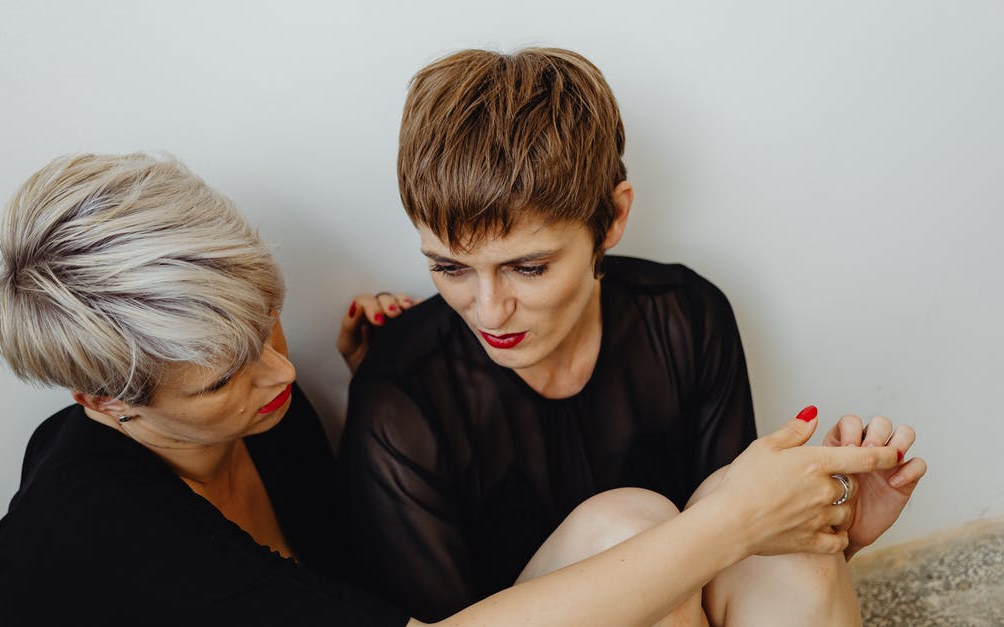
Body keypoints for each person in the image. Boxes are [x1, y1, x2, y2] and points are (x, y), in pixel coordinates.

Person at [0, 152, 910, 627]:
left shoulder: (260, 419)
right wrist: (733, 521)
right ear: (106, 403)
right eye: (229, 373)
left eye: (265, 323)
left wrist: (799, 534)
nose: (282, 371)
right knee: (662, 534)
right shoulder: (96, 530)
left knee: (662, 534)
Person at [338, 48, 928, 624]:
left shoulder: (686, 317)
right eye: (450, 268)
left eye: (529, 267)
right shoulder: (400, 393)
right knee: (628, 532)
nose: (489, 311)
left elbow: (744, 551)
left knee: (779, 544)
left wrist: (834, 535)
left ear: (613, 218)